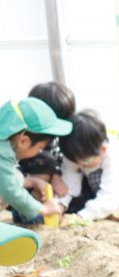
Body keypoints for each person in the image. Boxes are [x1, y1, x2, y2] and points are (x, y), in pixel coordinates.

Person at [57, 111, 119, 224]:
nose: (80, 163)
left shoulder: (115, 154)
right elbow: (69, 181)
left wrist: (82, 216)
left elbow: (111, 193)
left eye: (85, 160)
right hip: (100, 184)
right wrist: (60, 205)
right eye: (75, 160)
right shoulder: (77, 152)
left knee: (96, 179)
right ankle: (98, 209)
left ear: (102, 149)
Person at [0, 98, 70, 224]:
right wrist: (43, 209)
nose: (39, 152)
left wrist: (32, 181)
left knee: (15, 176)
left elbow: (6, 177)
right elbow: (11, 190)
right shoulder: (2, 153)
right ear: (23, 141)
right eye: (40, 148)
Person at [13, 82, 75, 224]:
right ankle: (32, 212)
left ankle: (55, 208)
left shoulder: (62, 135)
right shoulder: (22, 135)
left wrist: (56, 174)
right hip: (24, 185)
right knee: (43, 161)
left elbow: (66, 160)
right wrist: (37, 179)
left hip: (53, 186)